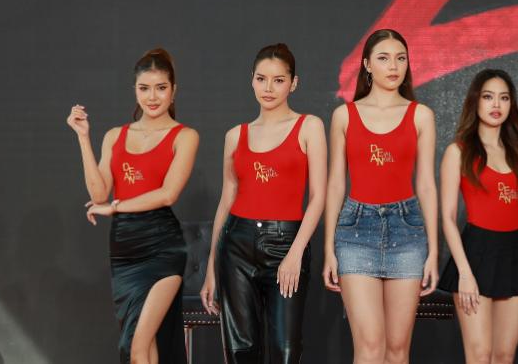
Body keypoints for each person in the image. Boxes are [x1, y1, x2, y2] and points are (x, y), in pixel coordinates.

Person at [67, 48, 199, 364]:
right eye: (144, 88)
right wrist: (83, 138)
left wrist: (116, 207)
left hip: (164, 248)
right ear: (135, 90)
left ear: (173, 90)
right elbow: (99, 193)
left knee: (138, 345)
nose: (152, 97)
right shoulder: (115, 136)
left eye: (161, 88)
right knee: (143, 346)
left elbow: (168, 194)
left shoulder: (184, 136)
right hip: (124, 251)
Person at [199, 43, 327, 363]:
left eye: (278, 80)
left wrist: (295, 253)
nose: (268, 88)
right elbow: (226, 200)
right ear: (252, 80)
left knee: (286, 349)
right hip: (236, 247)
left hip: (287, 243)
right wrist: (212, 268)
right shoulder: (235, 135)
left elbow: (318, 196)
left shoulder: (309, 126)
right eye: (261, 79)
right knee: (241, 350)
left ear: (293, 83)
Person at [322, 29, 439, 364]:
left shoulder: (421, 115)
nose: (394, 66)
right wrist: (329, 248)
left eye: (401, 58)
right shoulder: (345, 115)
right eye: (384, 58)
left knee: (397, 350)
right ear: (367, 64)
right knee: (370, 346)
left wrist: (433, 250)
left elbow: (426, 185)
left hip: (408, 231)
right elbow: (335, 184)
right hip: (355, 231)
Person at [437, 69, 518, 364]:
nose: (496, 104)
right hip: (476, 256)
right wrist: (465, 273)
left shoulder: (515, 152)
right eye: (488, 97)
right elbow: (447, 217)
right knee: (480, 356)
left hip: (515, 256)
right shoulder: (457, 152)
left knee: (504, 356)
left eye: (504, 98)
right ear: (476, 101)